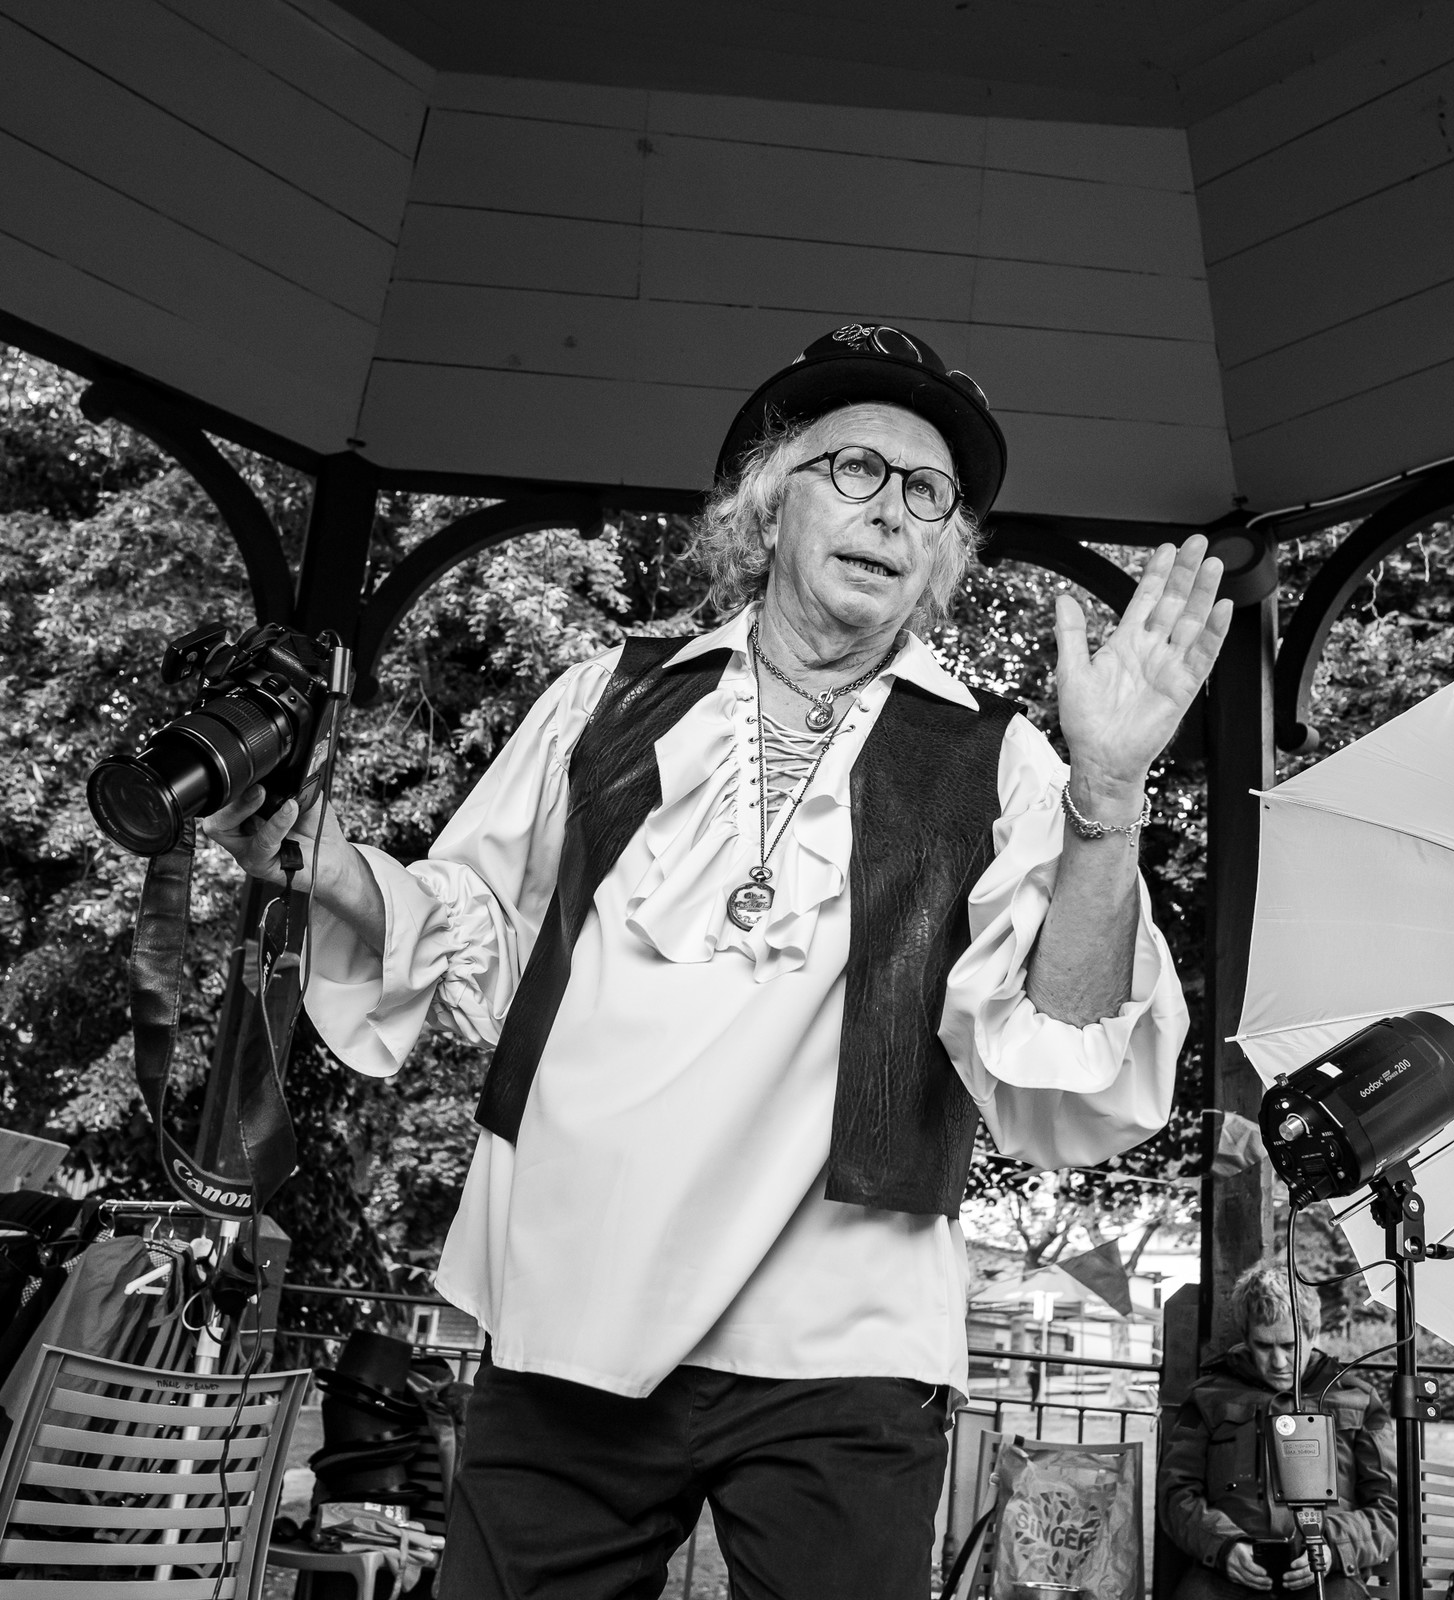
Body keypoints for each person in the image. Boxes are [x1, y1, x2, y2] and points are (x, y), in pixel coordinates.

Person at [206, 323, 1232, 1600]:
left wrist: (1110, 793)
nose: (892, 510)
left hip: (839, 1337)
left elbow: (1062, 1054)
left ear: (942, 555)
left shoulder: (1007, 761)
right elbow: (473, 928)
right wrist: (321, 865)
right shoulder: (607, 696)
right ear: (768, 504)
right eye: (856, 469)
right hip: (571, 1298)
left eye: (928, 495)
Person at [1158, 1265, 1399, 1600]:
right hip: (1226, 1573)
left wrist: (1334, 1548)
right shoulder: (1208, 1397)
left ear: (1314, 1333)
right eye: (1264, 1346)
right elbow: (1175, 1493)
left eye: (1290, 1345)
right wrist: (1222, 1546)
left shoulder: (1357, 1398)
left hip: (1326, 1574)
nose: (1279, 1362)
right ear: (1246, 1337)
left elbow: (1391, 1508)